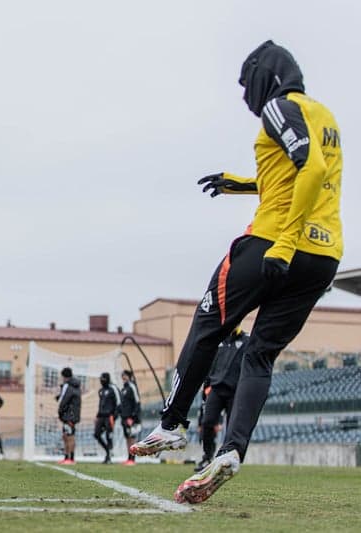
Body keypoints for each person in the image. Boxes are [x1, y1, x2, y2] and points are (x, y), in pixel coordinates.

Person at [131, 41, 343, 504]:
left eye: (247, 84)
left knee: (209, 322)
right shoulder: (324, 114)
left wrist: (282, 245)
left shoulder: (278, 107)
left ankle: (170, 425)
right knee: (259, 354)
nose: (247, 96)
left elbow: (310, 166)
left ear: (264, 75)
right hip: (324, 255)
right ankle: (230, 452)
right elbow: (301, 174)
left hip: (274, 243)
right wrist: (243, 183)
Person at [195, 328, 249, 472]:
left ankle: (227, 458)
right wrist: (207, 385)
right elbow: (210, 365)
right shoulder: (219, 342)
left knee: (232, 426)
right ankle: (207, 456)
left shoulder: (246, 341)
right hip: (216, 388)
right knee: (207, 422)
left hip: (235, 390)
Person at [94, 372, 120, 464]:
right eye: (101, 379)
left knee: (109, 436)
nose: (102, 381)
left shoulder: (113, 389)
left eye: (103, 379)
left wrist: (114, 416)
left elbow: (118, 403)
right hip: (101, 416)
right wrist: (97, 416)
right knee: (96, 434)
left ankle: (108, 457)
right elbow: (101, 404)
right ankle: (108, 451)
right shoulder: (101, 390)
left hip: (110, 416)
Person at [56, 367, 81, 465]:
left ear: (64, 376)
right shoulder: (76, 386)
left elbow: (63, 400)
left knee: (69, 436)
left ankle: (70, 458)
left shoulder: (67, 386)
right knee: (66, 435)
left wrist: (60, 411)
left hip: (68, 415)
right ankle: (68, 457)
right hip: (73, 414)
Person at [119, 370, 141, 466]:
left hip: (130, 417)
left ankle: (132, 458)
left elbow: (137, 402)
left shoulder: (132, 386)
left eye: (125, 375)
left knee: (132, 437)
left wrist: (132, 417)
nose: (123, 377)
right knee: (127, 437)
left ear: (129, 376)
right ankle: (129, 458)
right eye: (122, 375)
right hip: (124, 417)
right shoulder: (124, 388)